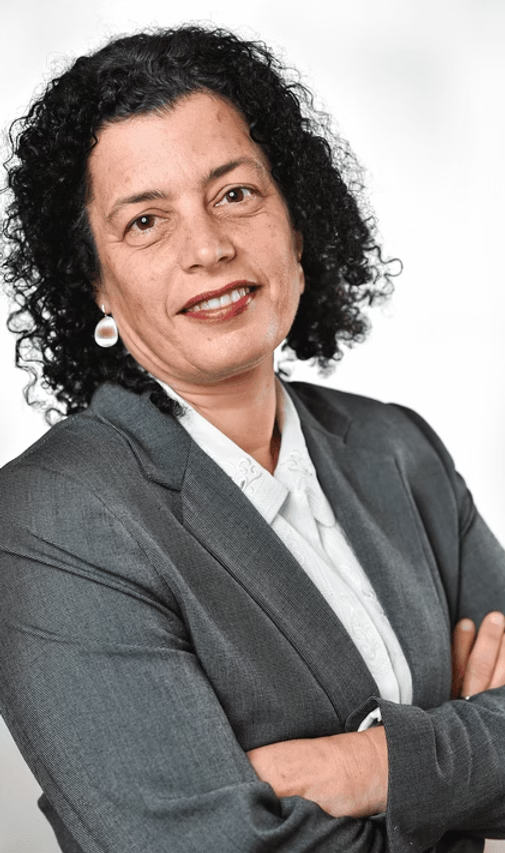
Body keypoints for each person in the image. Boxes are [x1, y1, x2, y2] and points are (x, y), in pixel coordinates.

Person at [1, 25, 505, 853]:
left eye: (234, 194)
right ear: (94, 283)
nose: (208, 247)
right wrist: (468, 774)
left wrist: (369, 764)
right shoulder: (49, 517)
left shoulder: (397, 448)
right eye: (145, 221)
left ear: (295, 222)